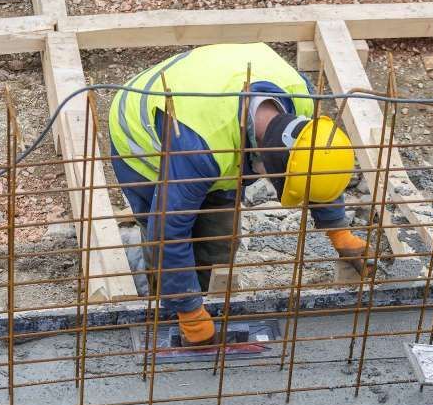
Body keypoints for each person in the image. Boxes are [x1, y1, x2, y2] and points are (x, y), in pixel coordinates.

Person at [109, 43, 371, 346]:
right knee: (163, 230)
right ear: (264, 161)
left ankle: (202, 298)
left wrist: (339, 232)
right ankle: (169, 312)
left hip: (208, 114)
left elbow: (315, 167)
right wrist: (190, 313)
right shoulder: (202, 145)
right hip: (142, 138)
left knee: (219, 240)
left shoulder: (301, 99)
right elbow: (168, 230)